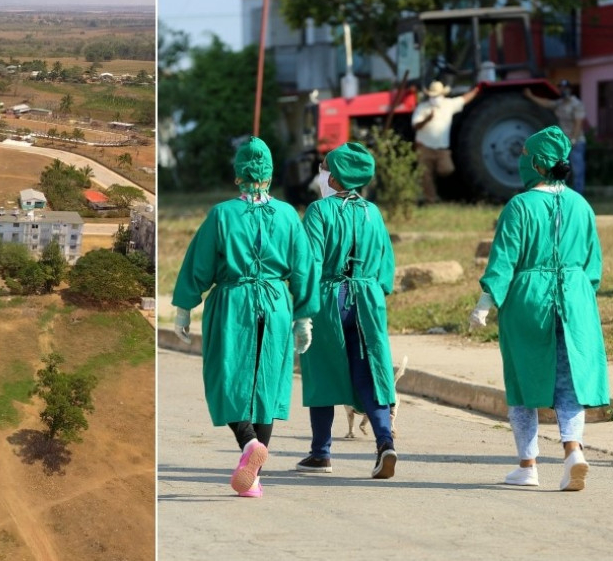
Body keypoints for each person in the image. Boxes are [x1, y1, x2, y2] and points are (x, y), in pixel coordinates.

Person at [172, 137, 319, 498]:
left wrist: (183, 307)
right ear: (269, 176)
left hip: (233, 301)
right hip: (275, 302)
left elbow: (200, 264)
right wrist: (303, 317)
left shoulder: (222, 214)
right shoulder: (287, 215)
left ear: (238, 175)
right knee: (266, 383)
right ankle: (253, 477)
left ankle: (249, 443)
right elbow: (303, 267)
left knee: (226, 375)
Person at [469, 126, 609, 491]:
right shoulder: (582, 205)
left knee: (523, 380)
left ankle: (528, 465)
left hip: (529, 299)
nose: (521, 161)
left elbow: (504, 261)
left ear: (537, 163)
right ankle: (573, 451)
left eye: (525, 155)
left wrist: (486, 302)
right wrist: (578, 294)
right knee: (570, 378)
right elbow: (593, 266)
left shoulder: (519, 206)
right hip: (576, 298)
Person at [294, 142, 400, 479]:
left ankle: (320, 452)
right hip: (367, 297)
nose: (321, 173)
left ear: (336, 178)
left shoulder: (319, 211)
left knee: (323, 369)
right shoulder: (373, 212)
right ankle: (385, 441)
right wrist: (374, 289)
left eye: (325, 167)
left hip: (329, 297)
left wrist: (303, 309)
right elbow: (386, 262)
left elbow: (308, 262)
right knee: (369, 370)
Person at [411, 80, 480, 204]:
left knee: (446, 169)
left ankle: (440, 191)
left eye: (436, 96)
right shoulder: (423, 108)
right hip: (424, 146)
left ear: (442, 95)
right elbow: (416, 126)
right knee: (425, 175)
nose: (434, 98)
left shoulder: (448, 105)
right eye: (432, 96)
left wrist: (476, 90)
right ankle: (431, 200)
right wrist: (427, 119)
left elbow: (464, 99)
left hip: (442, 148)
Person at [524, 81, 587, 194]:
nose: (563, 90)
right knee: (560, 169)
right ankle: (561, 193)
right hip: (563, 144)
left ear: (570, 89)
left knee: (577, 169)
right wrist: (531, 96)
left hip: (576, 142)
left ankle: (579, 194)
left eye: (565, 88)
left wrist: (573, 140)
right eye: (561, 88)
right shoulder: (560, 103)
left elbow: (578, 123)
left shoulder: (576, 104)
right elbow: (546, 103)